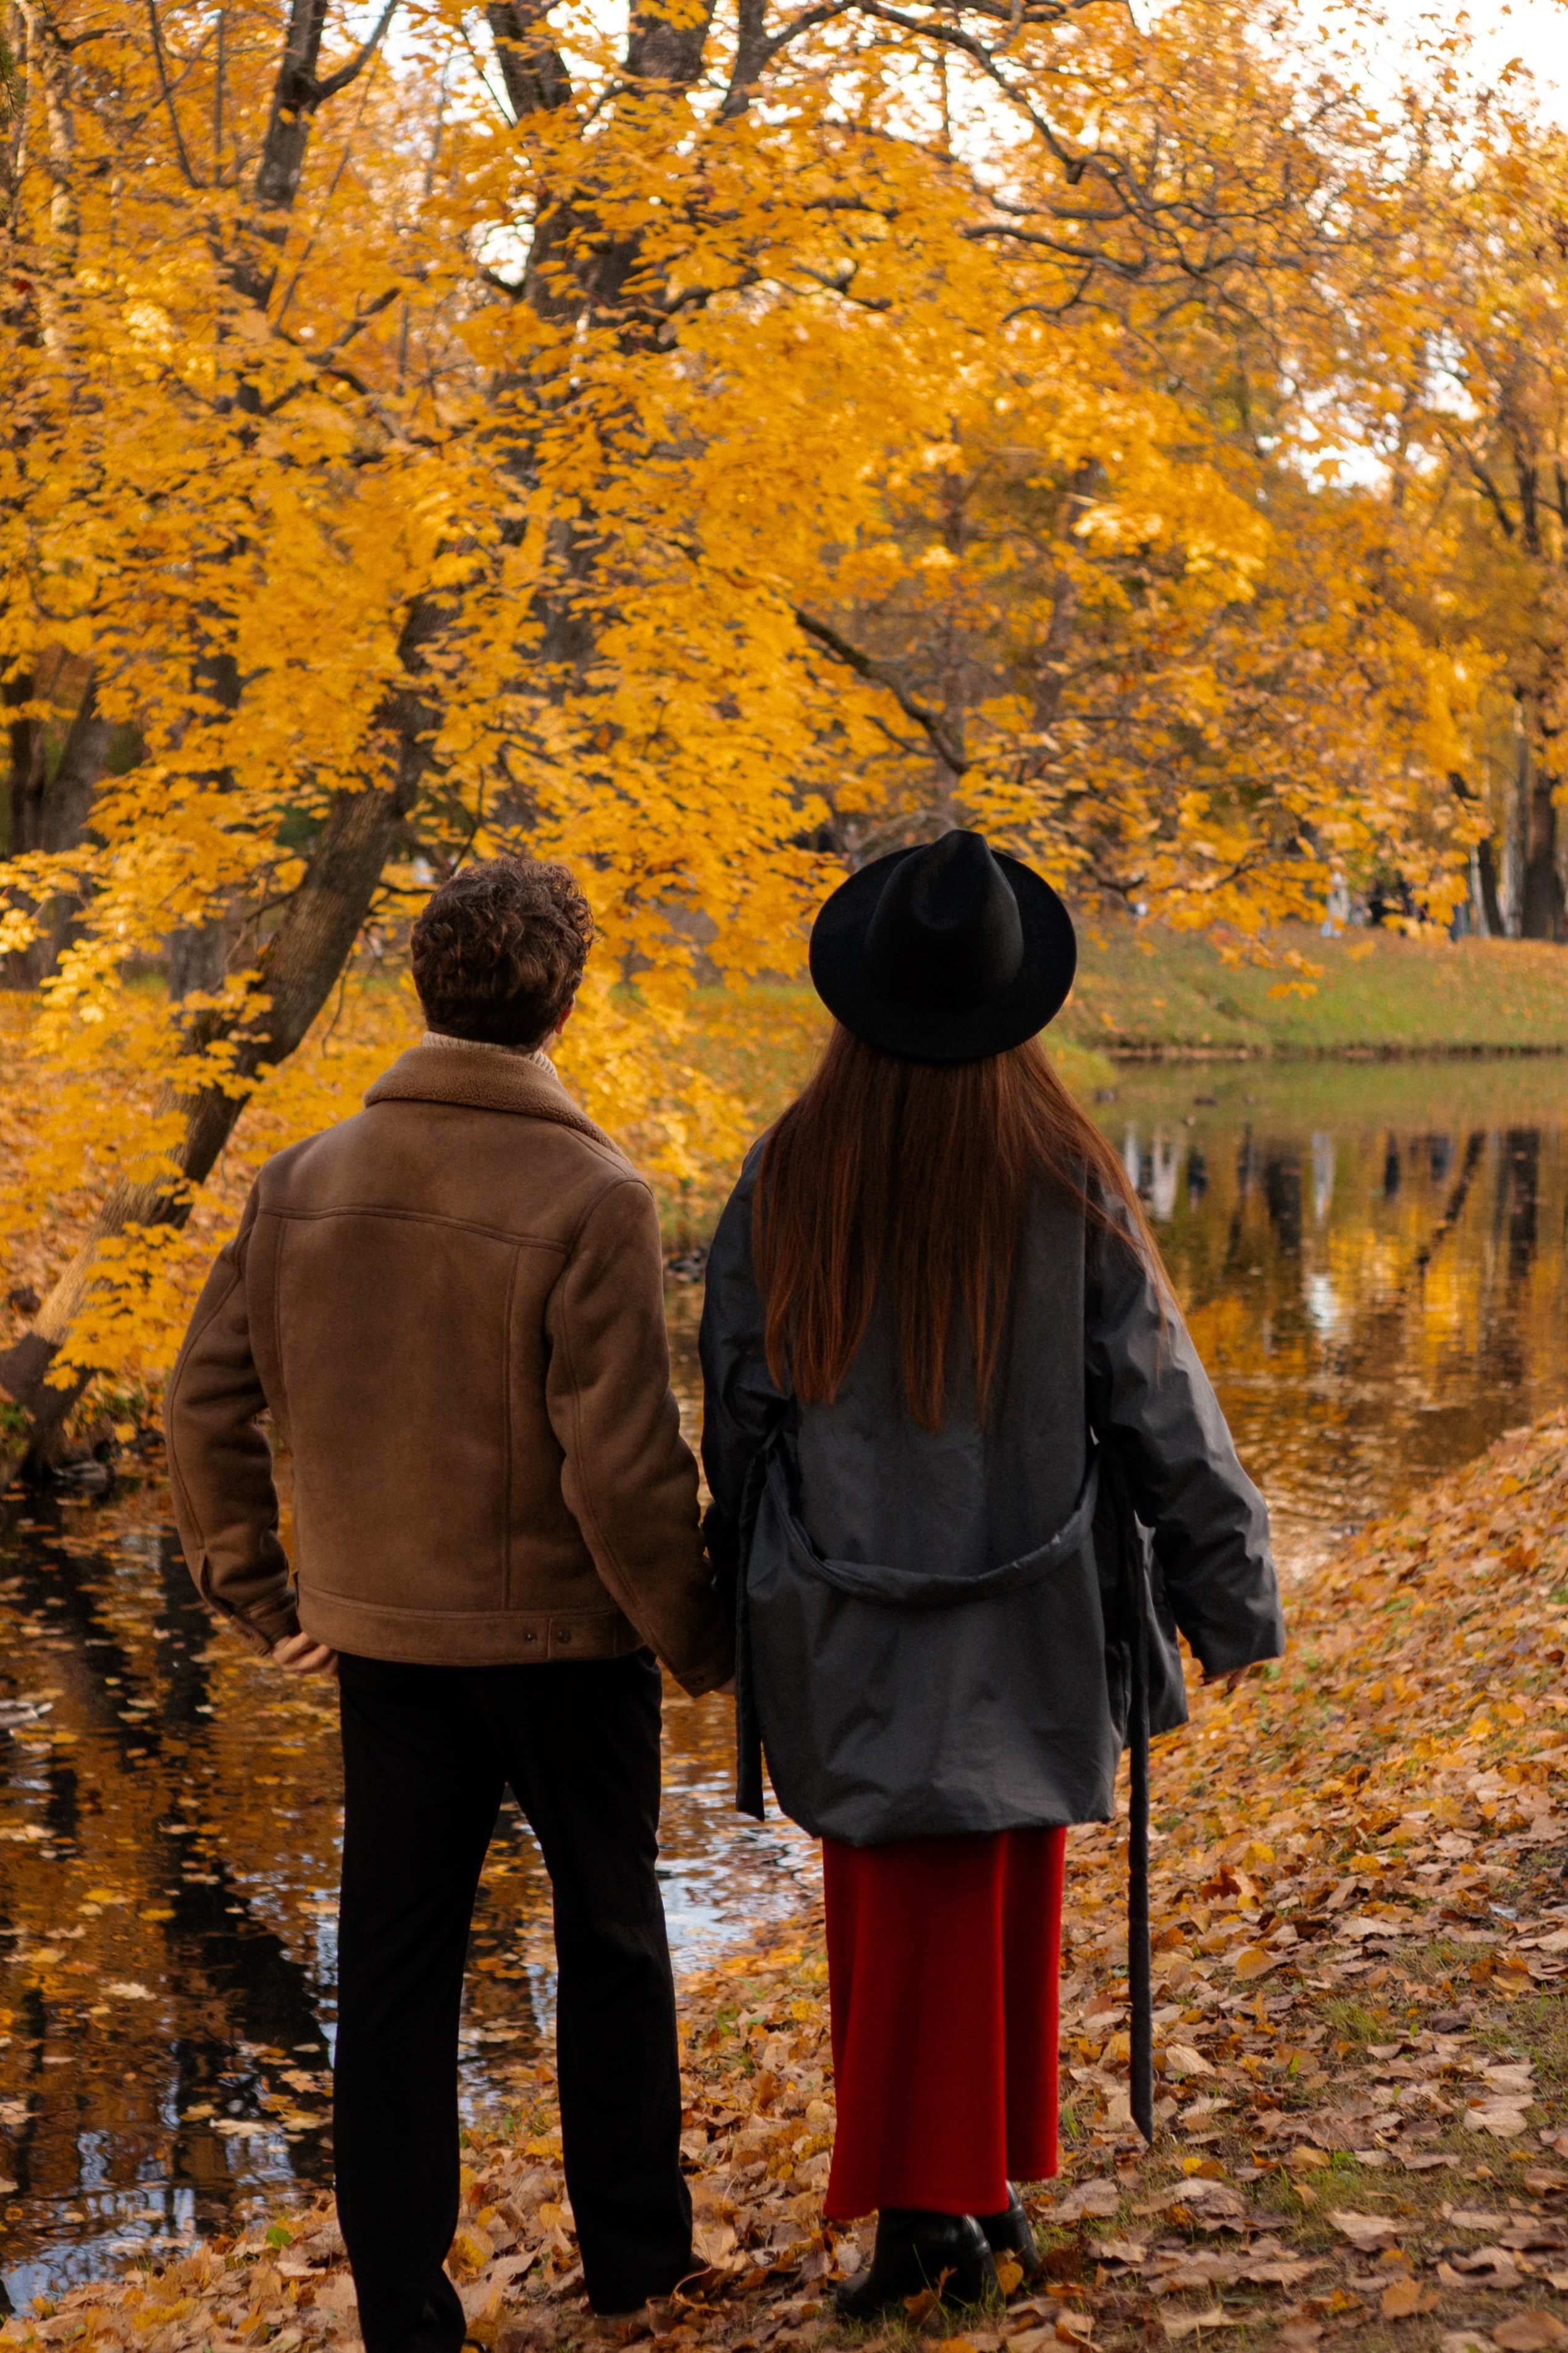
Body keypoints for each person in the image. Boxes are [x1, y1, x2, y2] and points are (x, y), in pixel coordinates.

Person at [699, 830, 1284, 2316]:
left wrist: (718, 1606)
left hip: (843, 1609)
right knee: (1002, 1904)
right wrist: (1227, 1591)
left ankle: (946, 2206)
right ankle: (960, 2200)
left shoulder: (792, 1170)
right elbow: (1159, 1396)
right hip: (1030, 1608)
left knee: (892, 1917)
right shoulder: (1057, 1168)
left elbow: (739, 1410)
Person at [166, 856, 732, 2352]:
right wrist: (704, 1637)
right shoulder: (592, 1192)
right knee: (612, 1938)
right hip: (564, 1645)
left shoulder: (300, 1182)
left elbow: (199, 1403)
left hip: (383, 1646)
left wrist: (258, 1589)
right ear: (564, 997)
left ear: (424, 984)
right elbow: (624, 1468)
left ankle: (407, 2312)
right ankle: (635, 2265)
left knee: (395, 1977)